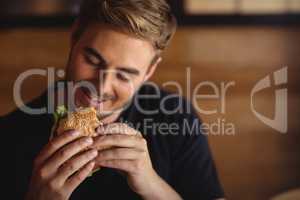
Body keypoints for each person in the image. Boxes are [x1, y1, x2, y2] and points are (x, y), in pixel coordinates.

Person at [5, 0, 224, 199]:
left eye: (124, 75)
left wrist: (152, 185)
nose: (101, 87)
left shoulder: (177, 117)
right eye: (92, 60)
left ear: (149, 71)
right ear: (74, 38)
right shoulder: (9, 135)